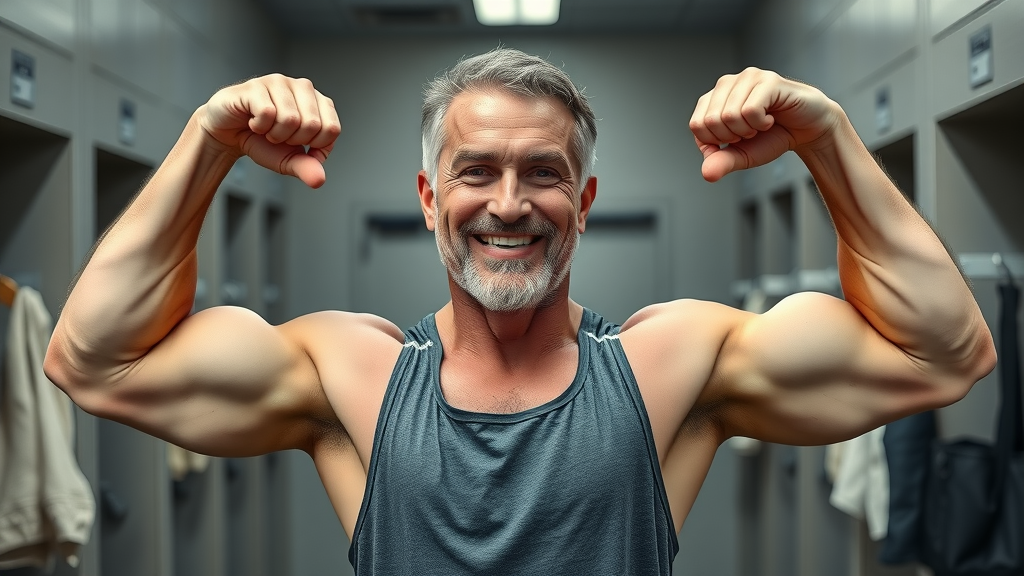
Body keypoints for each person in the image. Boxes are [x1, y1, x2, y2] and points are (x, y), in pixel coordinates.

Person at [44, 48, 996, 574]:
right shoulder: (354, 374)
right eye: (476, 172)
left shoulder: (673, 365)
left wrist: (826, 136)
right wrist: (207, 142)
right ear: (428, 198)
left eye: (544, 173)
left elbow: (944, 353)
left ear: (581, 204)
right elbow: (94, 361)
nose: (508, 203)